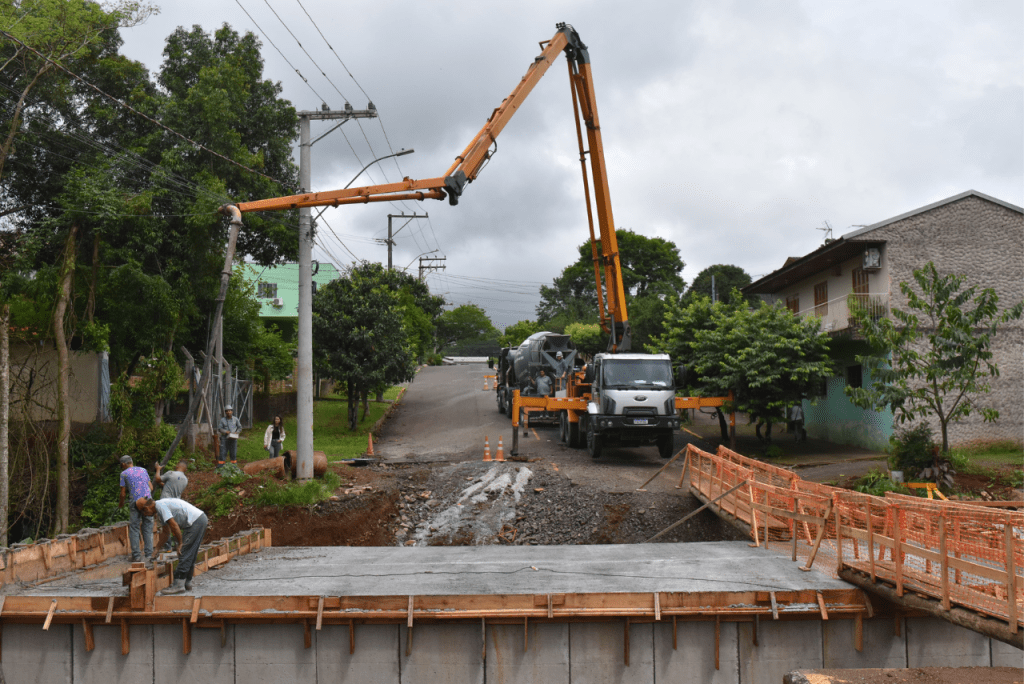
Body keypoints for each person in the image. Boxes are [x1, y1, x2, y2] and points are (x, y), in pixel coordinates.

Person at [138, 496, 208, 594]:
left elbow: (174, 526)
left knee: (184, 552)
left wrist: (180, 544)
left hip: (196, 522)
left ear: (146, 508)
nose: (147, 516)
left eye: (145, 513)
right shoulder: (161, 508)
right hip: (198, 520)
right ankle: (187, 583)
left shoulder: (161, 506)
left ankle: (178, 585)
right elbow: (166, 533)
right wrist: (156, 550)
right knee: (189, 553)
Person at [118, 455, 153, 563]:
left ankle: (137, 556)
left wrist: (121, 504)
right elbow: (151, 487)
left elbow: (123, 493)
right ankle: (149, 555)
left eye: (121, 465)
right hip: (148, 501)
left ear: (124, 464)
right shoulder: (143, 470)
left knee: (134, 528)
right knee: (148, 527)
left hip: (135, 501)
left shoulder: (124, 474)